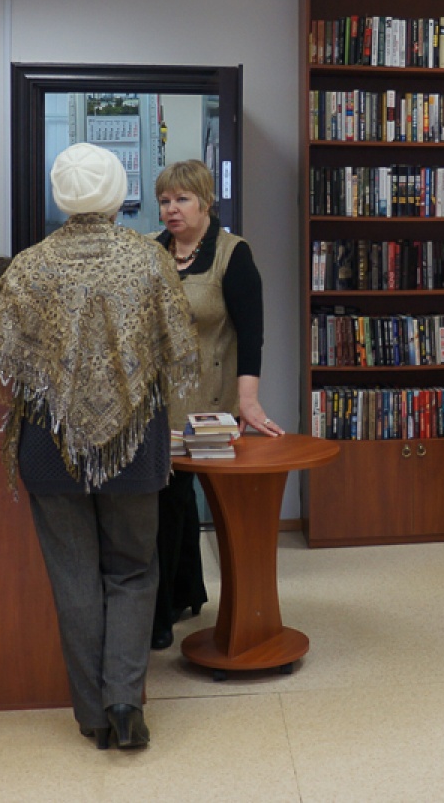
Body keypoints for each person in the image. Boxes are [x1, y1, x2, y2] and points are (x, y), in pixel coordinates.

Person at [0, 143, 198, 751]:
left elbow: (8, 364)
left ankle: (92, 717)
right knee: (132, 569)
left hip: (50, 444)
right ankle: (125, 701)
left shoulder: (28, 266)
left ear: (61, 195)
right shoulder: (148, 259)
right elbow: (176, 348)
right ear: (117, 191)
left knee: (73, 577)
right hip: (133, 442)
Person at [150, 159, 281, 651]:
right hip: (159, 402)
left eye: (182, 199)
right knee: (167, 501)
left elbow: (251, 334)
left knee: (190, 499)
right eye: (165, 200)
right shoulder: (151, 252)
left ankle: (179, 607)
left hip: (210, 403)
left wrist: (249, 401)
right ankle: (176, 599)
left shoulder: (232, 253)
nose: (172, 209)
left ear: (206, 202)